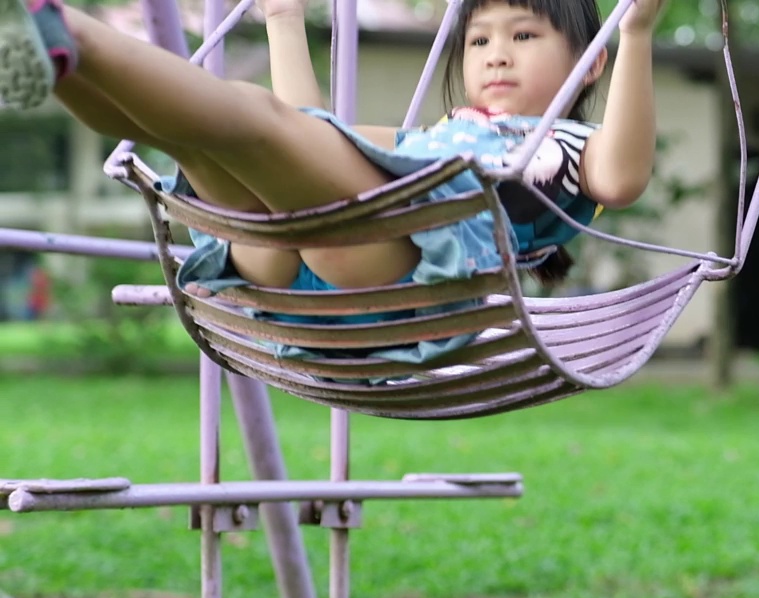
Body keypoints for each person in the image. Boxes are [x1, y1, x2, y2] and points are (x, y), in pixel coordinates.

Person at [0, 0, 664, 363]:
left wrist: (635, 32)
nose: (495, 53)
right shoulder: (441, 135)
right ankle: (58, 56)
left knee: (252, 120)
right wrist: (286, 21)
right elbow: (310, 131)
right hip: (290, 262)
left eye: (523, 34)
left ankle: (58, 24)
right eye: (478, 40)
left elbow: (624, 176)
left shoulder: (570, 146)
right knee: (198, 139)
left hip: (404, 270)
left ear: (588, 65)